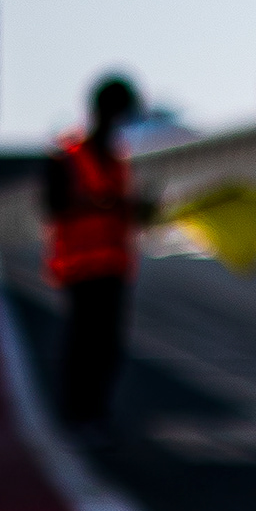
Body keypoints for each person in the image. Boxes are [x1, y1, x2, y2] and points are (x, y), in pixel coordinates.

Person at [44, 74, 149, 431]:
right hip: (80, 268)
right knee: (84, 345)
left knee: (108, 348)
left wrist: (139, 209)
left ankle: (95, 414)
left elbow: (124, 211)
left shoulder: (118, 160)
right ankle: (77, 415)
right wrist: (102, 204)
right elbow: (53, 204)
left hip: (114, 268)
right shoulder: (67, 157)